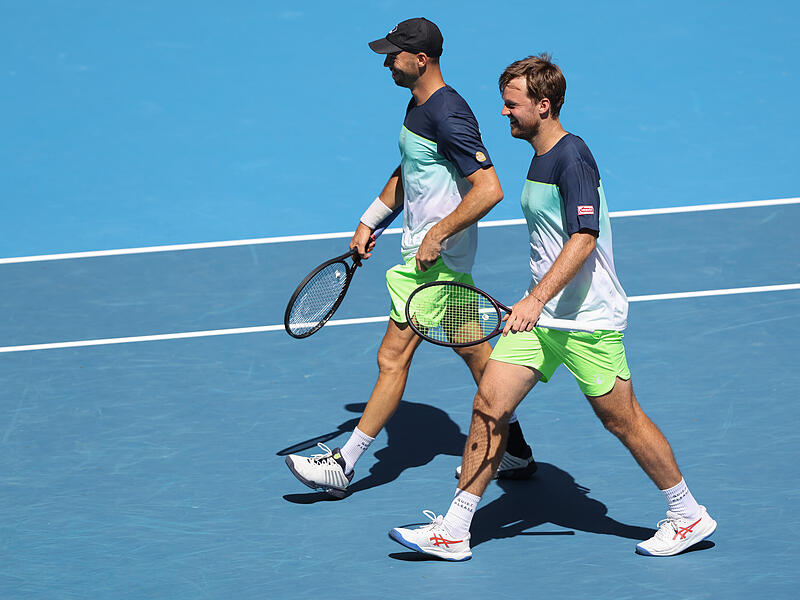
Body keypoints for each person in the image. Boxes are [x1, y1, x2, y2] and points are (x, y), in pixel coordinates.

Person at [389, 54, 717, 559]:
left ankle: (687, 513)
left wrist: (536, 298)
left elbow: (583, 239)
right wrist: (537, 303)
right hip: (541, 322)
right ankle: (454, 530)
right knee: (489, 406)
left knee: (621, 419)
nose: (503, 112)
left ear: (543, 106)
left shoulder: (572, 157)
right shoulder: (539, 159)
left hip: (588, 320)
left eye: (512, 104)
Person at [284, 18, 537, 498]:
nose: (386, 62)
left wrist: (437, 234)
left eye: (393, 55)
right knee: (479, 357)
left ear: (421, 60)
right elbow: (410, 171)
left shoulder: (450, 114)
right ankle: (516, 450)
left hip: (433, 265)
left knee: (391, 357)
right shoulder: (419, 107)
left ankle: (344, 463)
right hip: (435, 261)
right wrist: (369, 220)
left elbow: (490, 189)